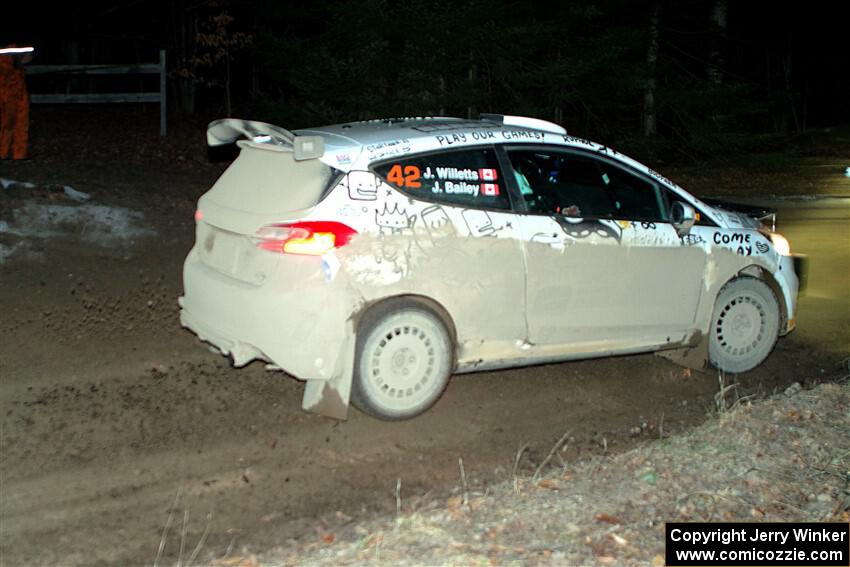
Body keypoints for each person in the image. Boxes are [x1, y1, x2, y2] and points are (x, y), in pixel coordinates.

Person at [0, 44, 33, 160]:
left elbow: (27, 55)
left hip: (17, 85)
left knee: (21, 119)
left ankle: (19, 154)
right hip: (6, 86)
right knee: (7, 121)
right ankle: (3, 152)